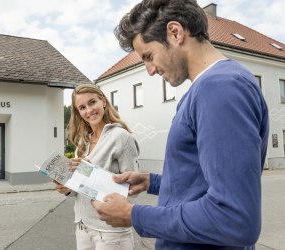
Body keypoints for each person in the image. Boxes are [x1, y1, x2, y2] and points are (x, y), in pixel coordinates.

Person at [91, 0, 269, 249]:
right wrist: (152, 181)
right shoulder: (208, 89)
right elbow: (205, 183)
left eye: (149, 56)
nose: (150, 70)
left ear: (175, 32)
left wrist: (135, 215)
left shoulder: (220, 89)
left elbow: (234, 218)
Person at [54, 83, 139, 250]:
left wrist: (90, 171)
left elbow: (132, 190)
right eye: (82, 107)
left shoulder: (122, 138)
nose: (89, 110)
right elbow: (83, 186)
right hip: (83, 226)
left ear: (104, 102)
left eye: (92, 102)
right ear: (78, 113)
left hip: (110, 233)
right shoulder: (82, 142)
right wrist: (67, 188)